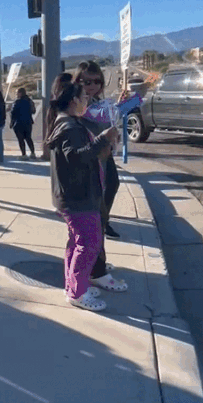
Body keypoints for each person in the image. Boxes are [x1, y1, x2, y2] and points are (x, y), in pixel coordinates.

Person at [45, 76, 118, 312]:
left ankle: (75, 285)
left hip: (76, 195)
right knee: (89, 244)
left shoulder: (68, 122)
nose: (87, 100)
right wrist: (103, 139)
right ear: (73, 100)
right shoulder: (69, 127)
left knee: (78, 243)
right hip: (78, 197)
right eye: (84, 97)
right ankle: (77, 292)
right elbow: (78, 156)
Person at [75, 61, 130, 293]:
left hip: (104, 161)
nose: (92, 86)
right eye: (86, 81)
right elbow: (97, 121)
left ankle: (97, 263)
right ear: (77, 81)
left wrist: (129, 102)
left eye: (97, 81)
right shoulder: (79, 106)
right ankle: (97, 271)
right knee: (96, 218)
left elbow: (112, 116)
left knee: (102, 216)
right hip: (92, 164)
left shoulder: (98, 103)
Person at [10, 87, 37, 160]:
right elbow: (33, 111)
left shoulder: (17, 102)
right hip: (28, 122)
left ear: (20, 93)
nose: (16, 94)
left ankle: (24, 154)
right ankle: (33, 153)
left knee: (21, 139)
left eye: (17, 93)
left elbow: (13, 113)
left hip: (18, 122)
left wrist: (11, 122)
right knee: (28, 138)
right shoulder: (29, 101)